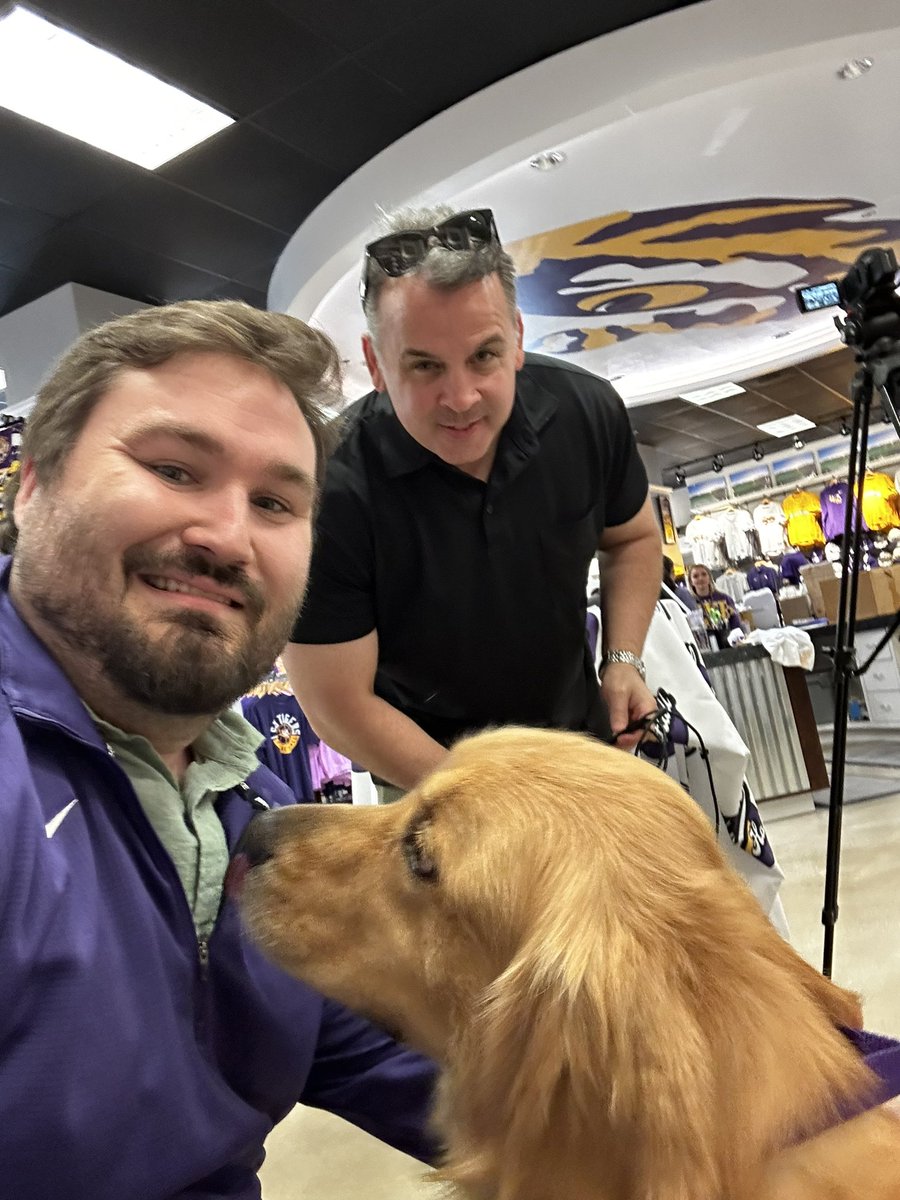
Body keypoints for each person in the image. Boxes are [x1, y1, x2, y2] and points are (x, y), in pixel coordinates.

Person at [0, 301, 437, 1199]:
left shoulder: (256, 809)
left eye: (275, 502)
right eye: (173, 468)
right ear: (32, 483)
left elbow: (444, 1087)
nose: (228, 538)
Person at [287, 204, 661, 797]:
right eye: (425, 366)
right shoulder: (327, 486)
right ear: (376, 364)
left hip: (584, 750)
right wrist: (487, 801)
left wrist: (622, 660)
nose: (460, 398)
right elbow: (337, 705)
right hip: (429, 779)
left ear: (516, 336)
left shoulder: (587, 412)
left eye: (484, 356)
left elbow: (634, 538)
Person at [687, 563, 745, 649]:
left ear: (710, 577)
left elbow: (735, 622)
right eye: (695, 576)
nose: (700, 578)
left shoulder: (724, 598)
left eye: (704, 574)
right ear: (691, 582)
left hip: (728, 645)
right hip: (703, 649)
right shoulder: (689, 603)